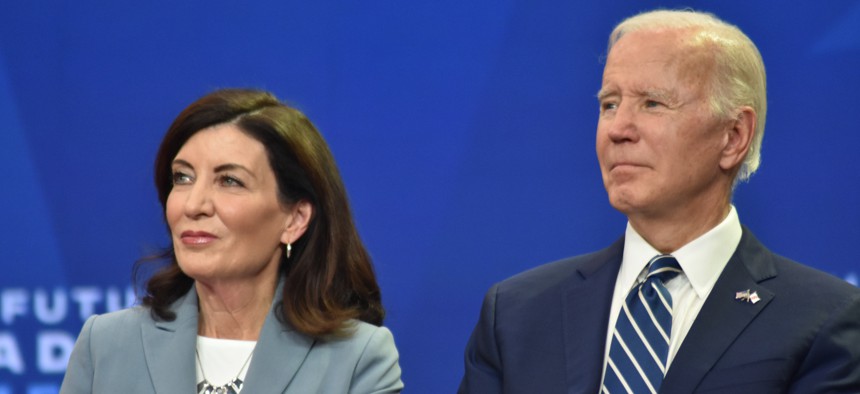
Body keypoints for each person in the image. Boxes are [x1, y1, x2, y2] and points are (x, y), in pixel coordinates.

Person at [459, 9, 860, 394]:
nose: (618, 130)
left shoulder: (822, 320)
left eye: (652, 103)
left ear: (734, 136)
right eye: (609, 105)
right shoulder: (515, 315)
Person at [61, 88, 404, 393]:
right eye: (182, 177)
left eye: (229, 181)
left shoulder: (357, 358)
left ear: (295, 219)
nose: (193, 205)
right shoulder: (106, 345)